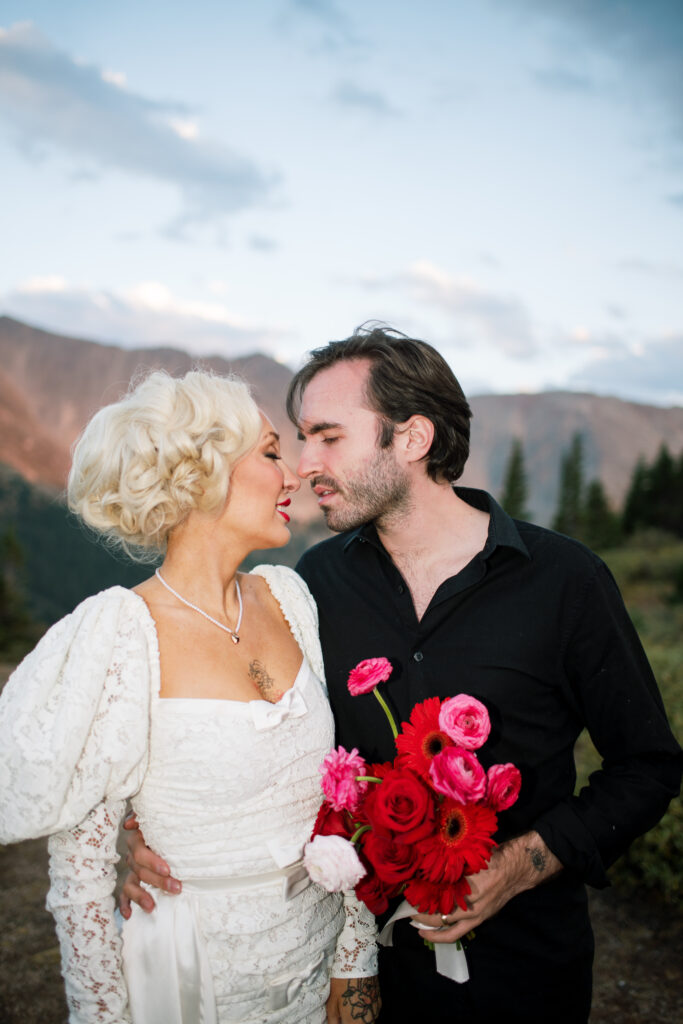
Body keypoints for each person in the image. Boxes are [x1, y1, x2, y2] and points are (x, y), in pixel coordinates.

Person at [122, 328, 682, 1023]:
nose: (304, 465)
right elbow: (260, 731)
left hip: (523, 972)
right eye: (300, 440)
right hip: (355, 969)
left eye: (328, 437)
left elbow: (647, 766)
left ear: (411, 438)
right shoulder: (314, 584)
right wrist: (146, 835)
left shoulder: (563, 580)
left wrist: (519, 865)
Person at [0, 369, 379, 1024]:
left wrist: (355, 966)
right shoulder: (118, 634)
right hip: (192, 980)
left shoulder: (289, 600)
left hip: (315, 968)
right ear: (201, 470)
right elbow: (82, 890)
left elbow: (337, 806)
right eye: (268, 453)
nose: (291, 475)